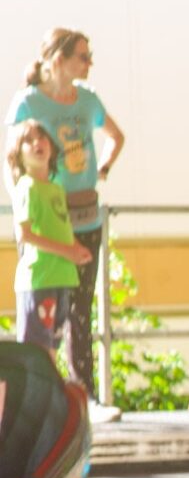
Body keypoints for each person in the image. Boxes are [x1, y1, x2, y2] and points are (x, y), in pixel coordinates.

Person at [10, 30, 123, 419]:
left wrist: (102, 169)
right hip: (47, 217)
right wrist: (22, 203)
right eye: (82, 56)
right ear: (58, 58)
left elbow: (116, 136)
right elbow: (12, 156)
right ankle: (38, 400)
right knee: (42, 314)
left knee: (79, 307)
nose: (89, 64)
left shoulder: (88, 99)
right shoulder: (28, 102)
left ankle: (83, 396)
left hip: (84, 212)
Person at [9, 121, 89, 367]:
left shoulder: (56, 189)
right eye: (28, 140)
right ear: (18, 155)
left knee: (53, 346)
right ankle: (33, 391)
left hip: (62, 277)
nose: (37, 143)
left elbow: (60, 227)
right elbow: (25, 235)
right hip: (40, 279)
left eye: (42, 137)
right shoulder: (27, 188)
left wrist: (76, 248)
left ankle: (49, 389)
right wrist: (67, 251)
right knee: (37, 349)